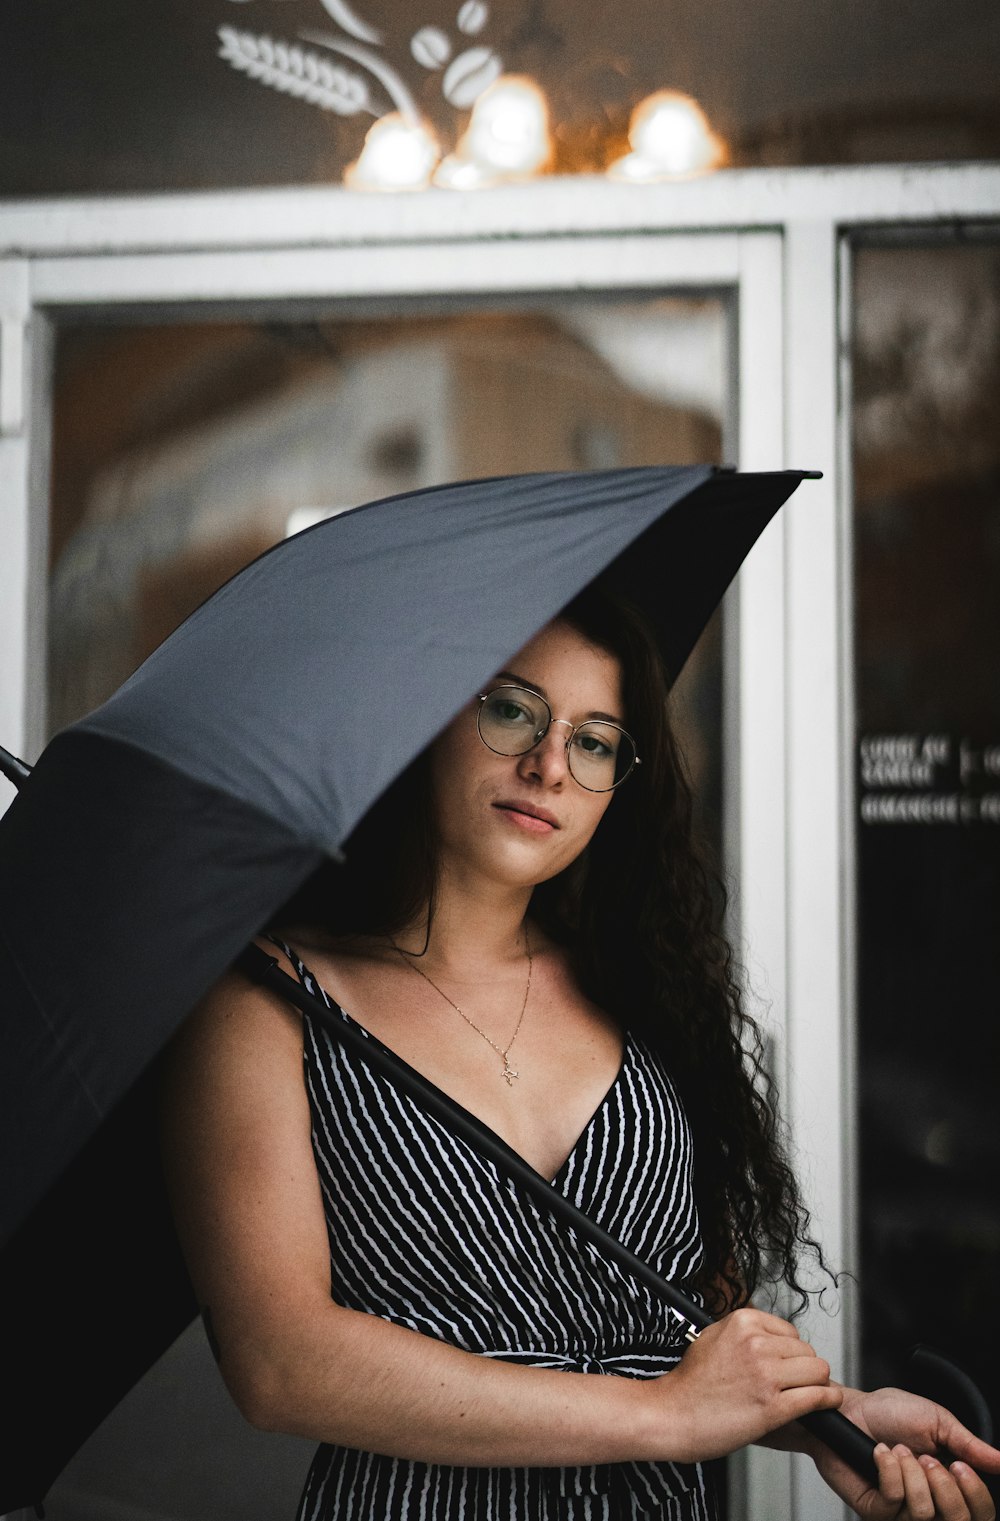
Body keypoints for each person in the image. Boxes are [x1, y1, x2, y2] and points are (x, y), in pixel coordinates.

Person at [160, 586, 1000, 1520]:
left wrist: (830, 1420)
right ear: (430, 714)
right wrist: (660, 1417)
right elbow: (280, 1363)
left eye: (595, 740)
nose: (549, 763)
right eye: (512, 709)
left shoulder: (641, 988)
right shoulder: (268, 997)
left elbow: (673, 1341)